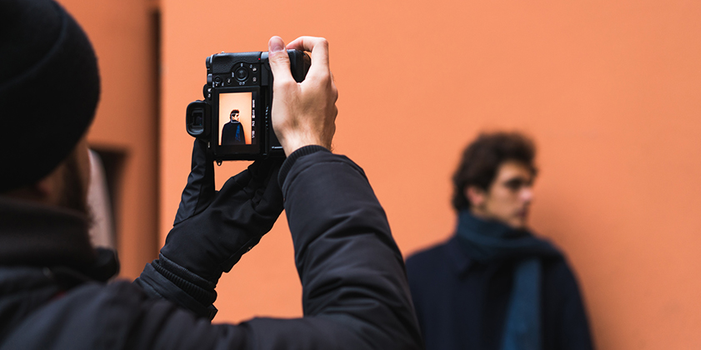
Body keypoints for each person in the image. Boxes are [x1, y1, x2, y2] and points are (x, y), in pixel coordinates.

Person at [0, 0, 422, 349]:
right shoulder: (89, 327)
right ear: (45, 176)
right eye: (80, 141)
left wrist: (183, 267)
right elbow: (375, 336)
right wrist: (309, 151)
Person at [405, 132, 594, 350]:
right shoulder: (421, 273)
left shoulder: (551, 272)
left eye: (528, 185)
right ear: (476, 193)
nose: (528, 196)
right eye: (513, 185)